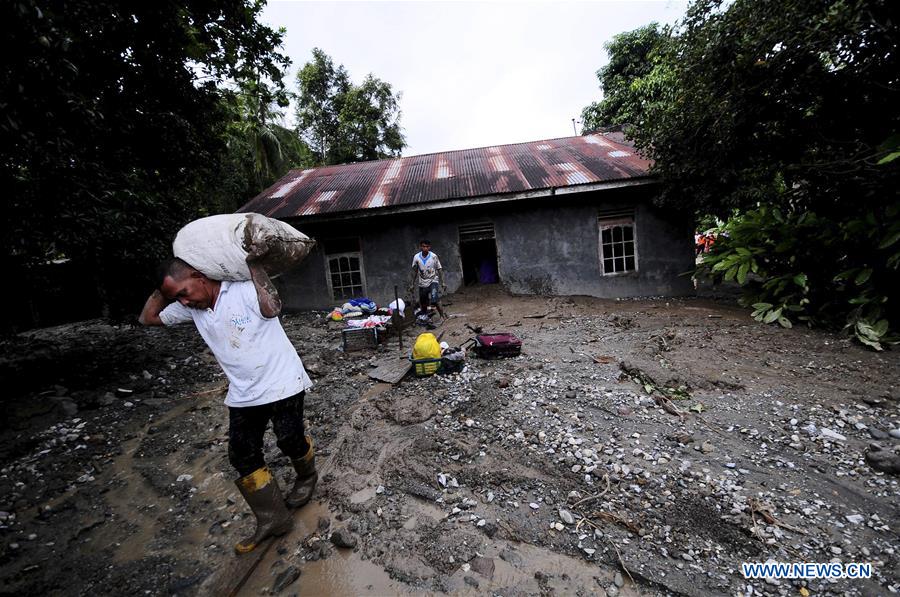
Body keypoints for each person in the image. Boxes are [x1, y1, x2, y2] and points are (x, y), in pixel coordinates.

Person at [138, 252, 317, 555]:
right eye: (176, 298)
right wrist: (165, 288)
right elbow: (148, 319)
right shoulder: (191, 310)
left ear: (200, 276)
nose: (182, 302)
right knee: (241, 455)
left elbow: (272, 307)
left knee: (289, 439)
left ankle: (307, 474)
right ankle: (273, 519)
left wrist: (255, 264)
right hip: (244, 393)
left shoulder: (242, 289)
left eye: (183, 293)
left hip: (283, 381)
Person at [409, 239, 446, 319]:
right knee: (423, 301)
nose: (425, 248)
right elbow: (414, 271)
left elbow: (439, 269)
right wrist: (412, 284)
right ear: (420, 247)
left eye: (427, 247)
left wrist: (443, 282)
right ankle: (425, 316)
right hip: (422, 282)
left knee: (434, 298)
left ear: (429, 247)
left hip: (433, 280)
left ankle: (442, 316)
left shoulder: (433, 256)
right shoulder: (416, 257)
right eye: (423, 246)